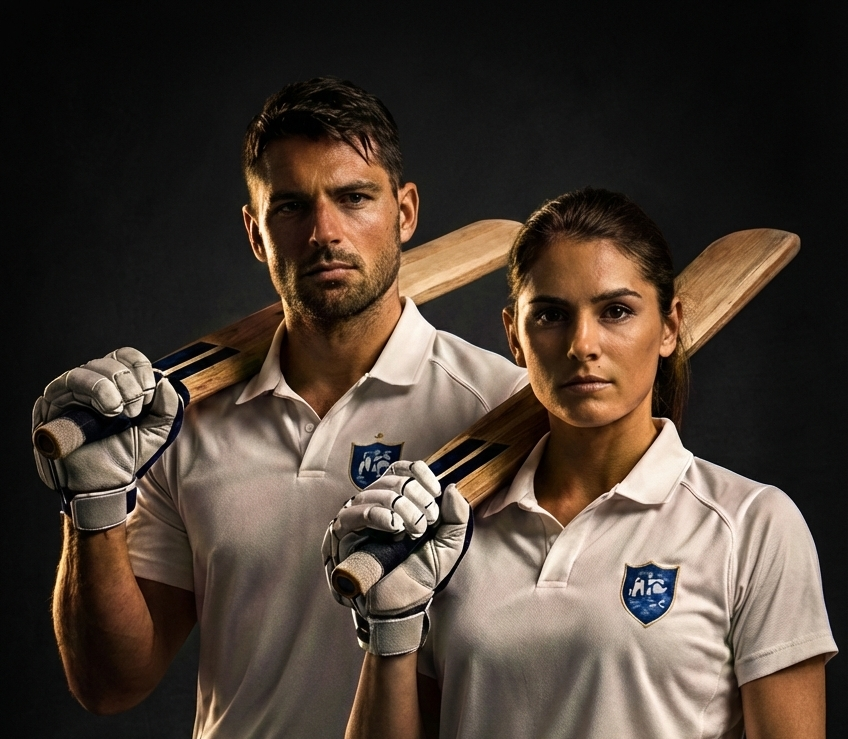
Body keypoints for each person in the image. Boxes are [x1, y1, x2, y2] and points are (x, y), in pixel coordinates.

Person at [31, 76, 527, 737]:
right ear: (256, 231)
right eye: (291, 207)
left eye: (354, 199)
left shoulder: (503, 411)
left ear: (405, 212)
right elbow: (110, 684)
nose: (324, 232)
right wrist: (93, 504)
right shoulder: (181, 424)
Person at [326, 187, 838, 738]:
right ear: (514, 338)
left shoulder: (752, 526)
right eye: (550, 315)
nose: (582, 344)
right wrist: (391, 630)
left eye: (616, 311)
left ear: (669, 327)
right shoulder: (449, 526)